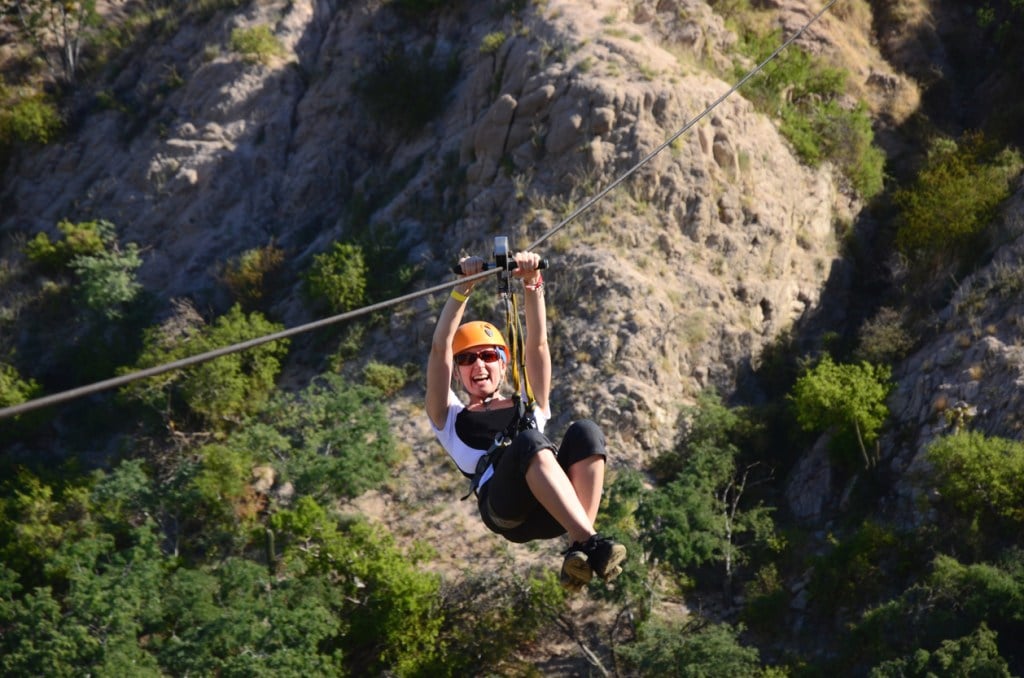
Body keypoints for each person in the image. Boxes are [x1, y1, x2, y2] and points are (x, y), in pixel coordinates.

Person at [425, 251, 626, 591]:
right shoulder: (448, 417)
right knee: (528, 442)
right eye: (468, 359)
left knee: (586, 432)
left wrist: (533, 284)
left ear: (503, 365)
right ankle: (591, 544)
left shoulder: (529, 403)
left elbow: (538, 345)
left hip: (551, 511)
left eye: (489, 356)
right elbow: (439, 348)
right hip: (505, 509)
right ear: (457, 373)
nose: (479, 365)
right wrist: (463, 289)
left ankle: (579, 551)